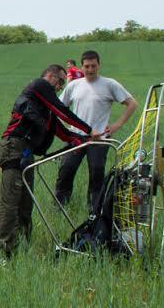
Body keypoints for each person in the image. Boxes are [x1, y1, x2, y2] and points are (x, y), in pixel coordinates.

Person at [0, 64, 97, 265]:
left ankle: (21, 250)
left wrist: (82, 139)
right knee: (11, 203)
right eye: (59, 82)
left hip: (26, 152)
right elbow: (63, 111)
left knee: (25, 204)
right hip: (14, 147)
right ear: (49, 76)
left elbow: (62, 131)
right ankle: (0, 254)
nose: (59, 87)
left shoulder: (45, 110)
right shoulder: (39, 86)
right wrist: (88, 129)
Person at [55, 50, 138, 213]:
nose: (90, 69)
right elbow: (58, 107)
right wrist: (66, 127)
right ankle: (59, 207)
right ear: (81, 66)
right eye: (87, 66)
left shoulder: (110, 84)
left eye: (93, 66)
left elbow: (132, 104)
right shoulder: (74, 85)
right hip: (76, 138)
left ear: (99, 65)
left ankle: (94, 210)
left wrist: (117, 125)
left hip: (99, 139)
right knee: (66, 170)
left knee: (96, 174)